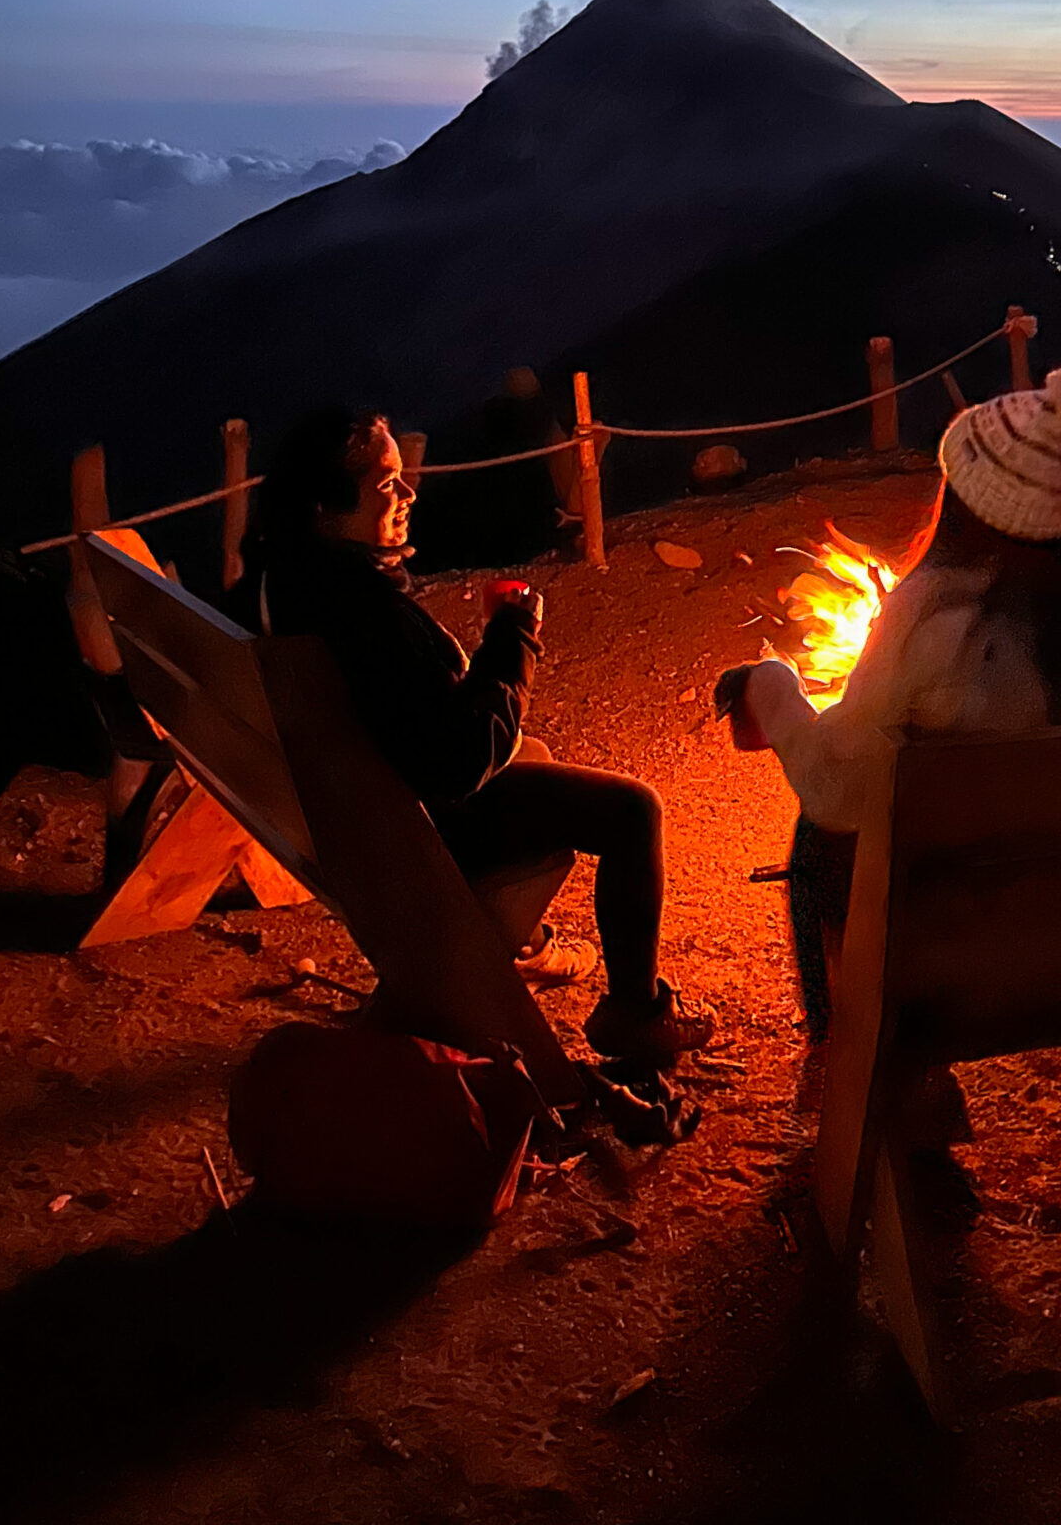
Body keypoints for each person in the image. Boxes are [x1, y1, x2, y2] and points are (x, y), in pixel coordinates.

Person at [246, 407, 713, 1067]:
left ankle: (521, 946)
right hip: (413, 838)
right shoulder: (362, 612)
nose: (407, 496)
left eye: (402, 480)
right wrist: (513, 633)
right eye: (386, 485)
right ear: (324, 506)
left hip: (349, 817)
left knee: (538, 758)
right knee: (632, 810)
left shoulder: (284, 579)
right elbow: (463, 759)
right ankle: (635, 1015)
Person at [719, 363, 1061, 1040]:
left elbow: (837, 791)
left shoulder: (933, 613)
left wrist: (775, 694)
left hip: (956, 922)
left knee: (814, 843)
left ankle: (854, 1049)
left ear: (965, 499)